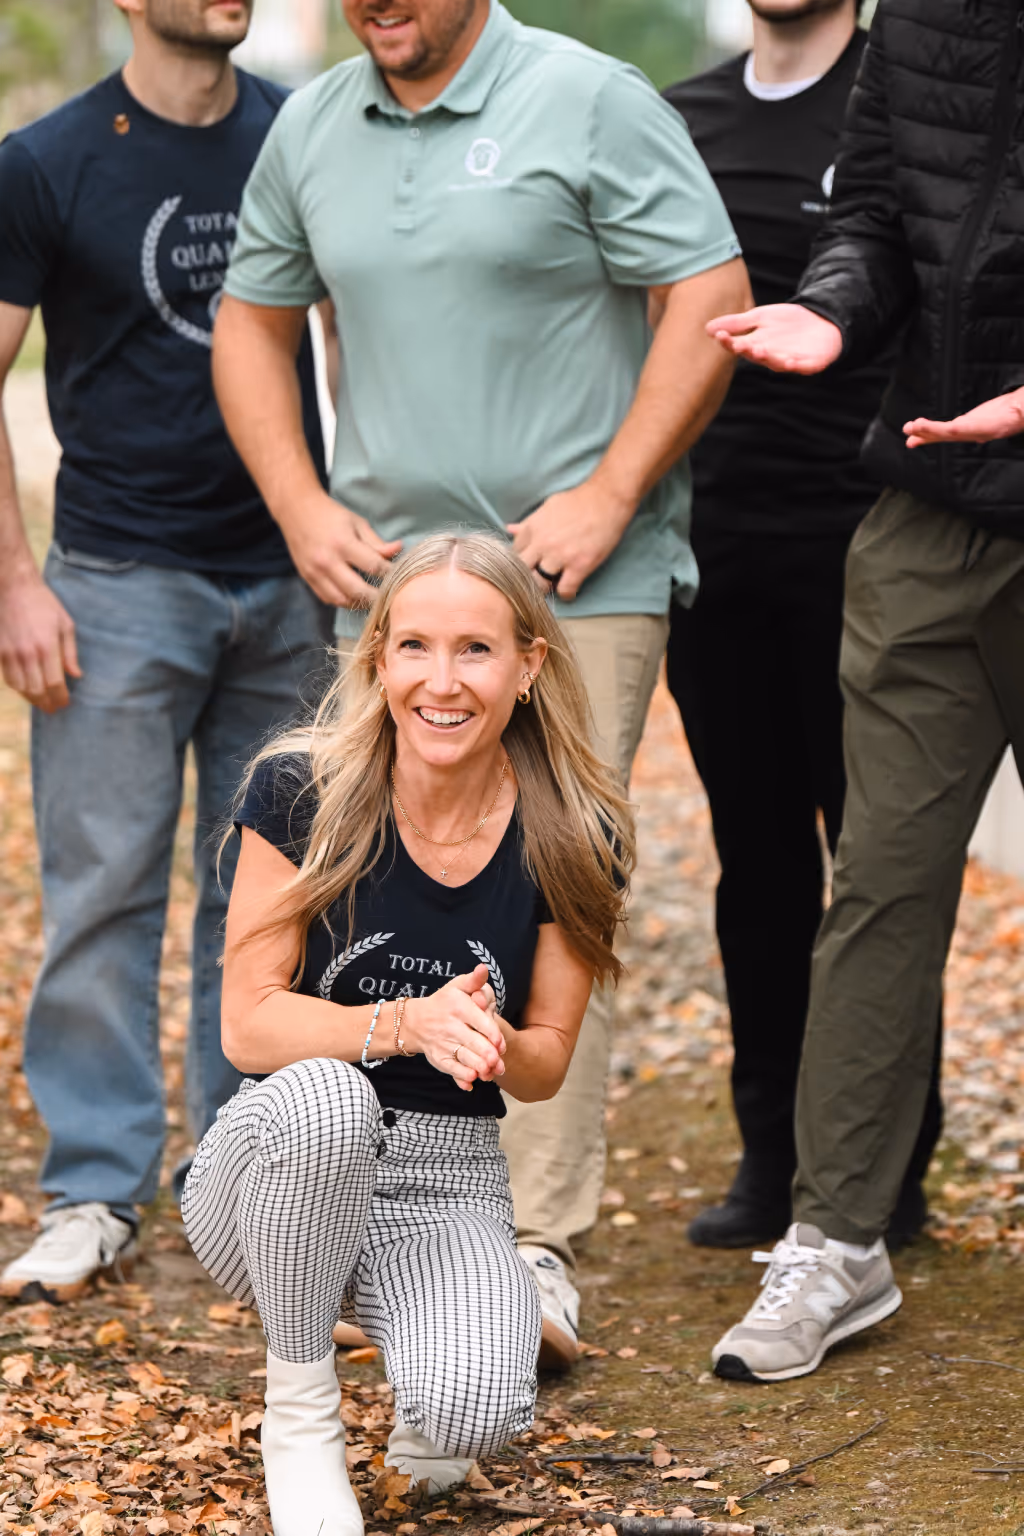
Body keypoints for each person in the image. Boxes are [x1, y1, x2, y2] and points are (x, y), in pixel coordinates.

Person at [207, 0, 751, 1367]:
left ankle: (532, 1243)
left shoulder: (593, 98)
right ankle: (388, 1221)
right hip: (394, 600)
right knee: (372, 888)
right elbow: (248, 323)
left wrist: (613, 492)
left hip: (571, 588)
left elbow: (712, 297)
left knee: (549, 874)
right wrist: (296, 503)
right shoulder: (315, 124)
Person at [182, 532, 633, 1536]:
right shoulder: (300, 790)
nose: (442, 680)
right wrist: (404, 1025)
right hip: (275, 1155)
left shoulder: (573, 831)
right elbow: (249, 1029)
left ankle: (425, 1317)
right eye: (414, 646)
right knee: (332, 1093)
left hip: (447, 1177)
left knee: (476, 1412)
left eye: (475, 650)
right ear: (377, 657)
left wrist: (486, 1040)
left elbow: (549, 1059)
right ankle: (299, 1413)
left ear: (528, 667)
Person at [705, 0, 1024, 1381]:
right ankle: (836, 1240)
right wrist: (833, 315)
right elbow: (880, 216)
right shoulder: (920, 20)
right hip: (931, 497)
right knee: (883, 884)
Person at [0, 0, 330, 1301]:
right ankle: (94, 1187)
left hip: (288, 583)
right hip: (118, 584)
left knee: (264, 897)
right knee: (105, 890)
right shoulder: (45, 161)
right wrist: (16, 584)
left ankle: (236, 1178)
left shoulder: (304, 138)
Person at [661, 0, 942, 1251]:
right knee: (758, 865)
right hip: (716, 548)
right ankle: (769, 1157)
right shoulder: (684, 117)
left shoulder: (905, 99)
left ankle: (888, 1169)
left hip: (873, 546)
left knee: (876, 873)